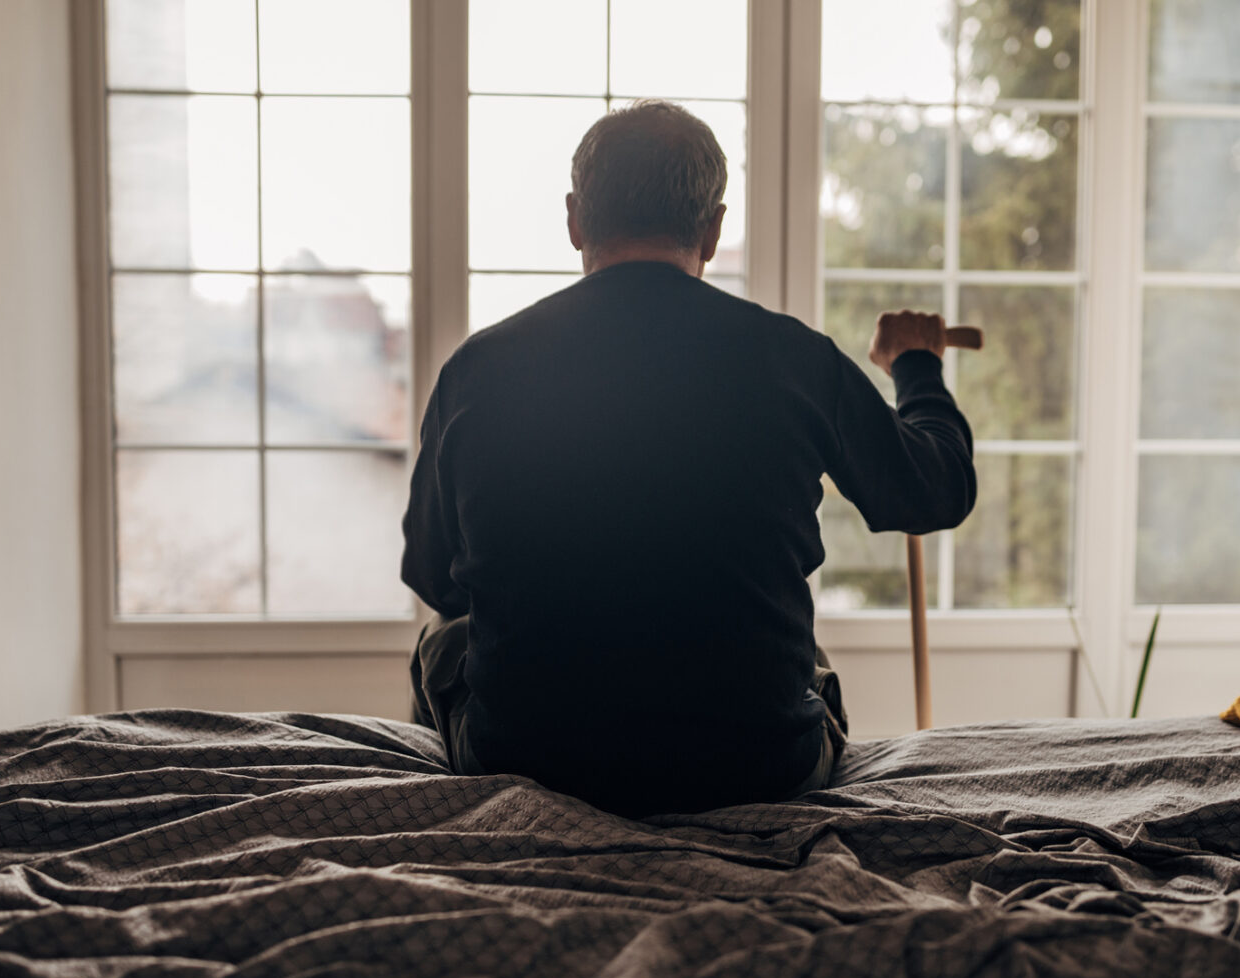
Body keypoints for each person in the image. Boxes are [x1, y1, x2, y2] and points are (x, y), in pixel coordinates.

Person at [402, 100, 975, 817]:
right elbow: (934, 492)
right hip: (760, 766)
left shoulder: (479, 368)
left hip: (534, 761)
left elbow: (434, 575)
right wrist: (917, 366)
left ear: (576, 218)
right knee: (807, 663)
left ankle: (468, 825)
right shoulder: (794, 359)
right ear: (713, 227)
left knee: (442, 640)